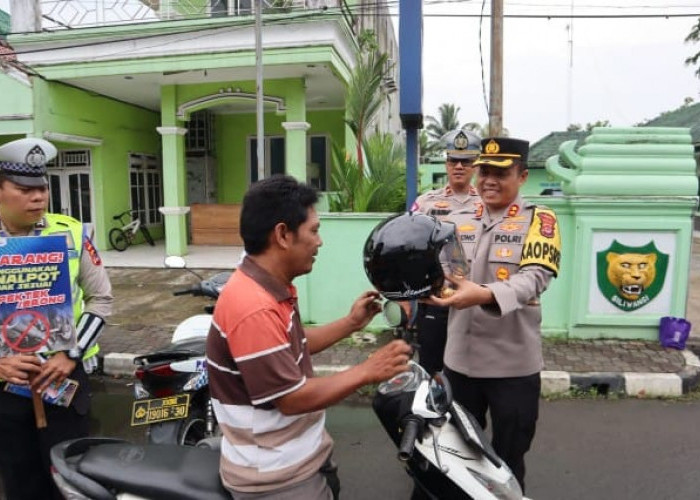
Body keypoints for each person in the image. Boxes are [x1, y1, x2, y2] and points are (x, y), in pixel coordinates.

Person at [206, 175, 412, 499]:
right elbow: (291, 398)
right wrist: (367, 370)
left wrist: (350, 323)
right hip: (277, 481)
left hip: (298, 460)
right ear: (283, 235)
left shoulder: (270, 288)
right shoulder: (253, 307)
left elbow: (293, 347)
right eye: (314, 231)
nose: (320, 242)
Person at [427, 136, 561, 492]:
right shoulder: (460, 218)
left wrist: (483, 294)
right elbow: (444, 271)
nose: (488, 179)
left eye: (500, 172)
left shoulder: (540, 220)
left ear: (522, 176)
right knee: (458, 454)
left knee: (508, 457)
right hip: (460, 362)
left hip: (511, 369)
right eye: (484, 170)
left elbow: (534, 278)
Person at [0, 138, 113, 500]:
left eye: (42, 189)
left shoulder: (71, 232)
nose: (38, 198)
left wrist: (70, 354)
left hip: (64, 381)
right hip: (7, 388)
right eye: (24, 189)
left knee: (74, 480)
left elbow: (101, 299)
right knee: (21, 482)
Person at [410, 129, 481, 374]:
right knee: (430, 368)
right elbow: (411, 248)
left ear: (476, 165)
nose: (459, 166)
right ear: (446, 164)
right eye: (453, 160)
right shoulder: (426, 203)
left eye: (466, 161)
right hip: (437, 300)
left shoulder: (489, 204)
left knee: (471, 370)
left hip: (474, 300)